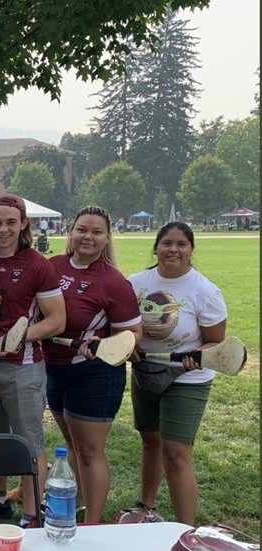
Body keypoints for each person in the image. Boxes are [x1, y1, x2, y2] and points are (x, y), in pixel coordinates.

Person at [0, 193, 65, 528]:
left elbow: (56, 320)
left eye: (10, 222)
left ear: (23, 224)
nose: (3, 229)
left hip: (23, 366)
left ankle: (32, 513)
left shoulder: (38, 265)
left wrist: (15, 339)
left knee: (27, 442)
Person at [42, 206, 141, 523]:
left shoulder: (112, 281)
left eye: (97, 231)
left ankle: (92, 523)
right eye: (82, 229)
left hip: (95, 376)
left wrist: (105, 345)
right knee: (71, 444)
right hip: (55, 369)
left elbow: (134, 333)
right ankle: (76, 506)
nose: (88, 236)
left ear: (107, 237)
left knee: (89, 451)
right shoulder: (52, 266)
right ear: (71, 231)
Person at [126, 222, 227, 525]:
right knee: (150, 441)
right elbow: (123, 326)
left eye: (181, 244)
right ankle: (146, 507)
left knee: (176, 453)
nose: (173, 249)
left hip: (186, 378)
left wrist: (198, 356)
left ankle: (186, 530)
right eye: (167, 243)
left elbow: (216, 341)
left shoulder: (204, 291)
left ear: (191, 250)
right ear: (155, 247)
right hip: (146, 371)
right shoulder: (135, 282)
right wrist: (128, 345)